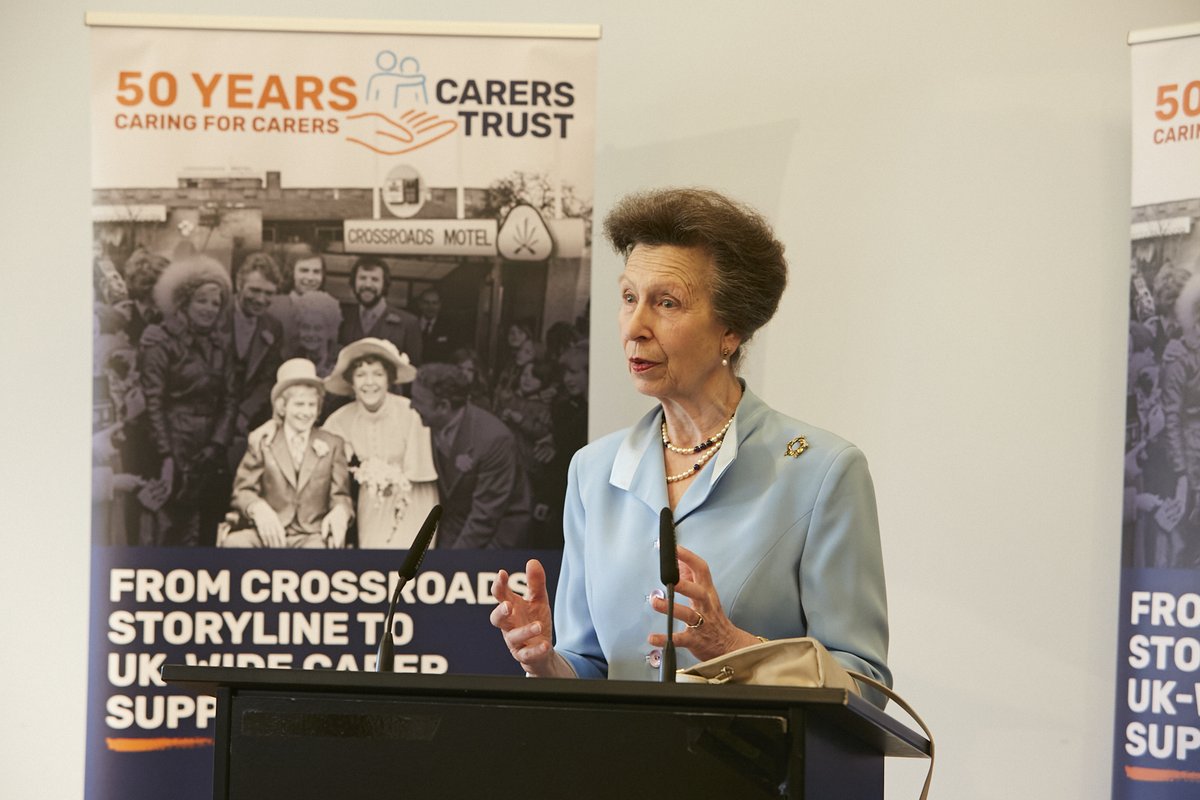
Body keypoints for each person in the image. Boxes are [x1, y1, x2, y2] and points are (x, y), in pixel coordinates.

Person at [489, 188, 891, 698]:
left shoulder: (822, 472)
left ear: (732, 330)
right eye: (629, 298)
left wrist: (731, 646)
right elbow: (591, 665)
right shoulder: (593, 471)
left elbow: (865, 685)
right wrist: (546, 661)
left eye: (667, 303)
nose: (635, 328)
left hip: (755, 773)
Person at [138, 255, 237, 546]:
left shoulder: (221, 344)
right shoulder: (160, 340)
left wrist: (217, 445)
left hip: (211, 453)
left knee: (208, 527)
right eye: (201, 301)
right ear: (183, 303)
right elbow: (153, 403)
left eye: (215, 303)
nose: (209, 309)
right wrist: (167, 457)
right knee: (170, 528)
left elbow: (230, 398)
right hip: (173, 445)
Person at [323, 338, 440, 549]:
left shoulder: (411, 412)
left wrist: (394, 480)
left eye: (378, 374)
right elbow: (319, 450)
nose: (370, 383)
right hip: (373, 503)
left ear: (389, 379)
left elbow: (419, 470)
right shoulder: (340, 419)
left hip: (413, 499)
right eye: (361, 375)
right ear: (351, 382)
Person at [224, 358, 352, 548]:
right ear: (282, 407)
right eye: (299, 404)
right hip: (267, 531)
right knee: (235, 544)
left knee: (318, 553)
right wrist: (258, 509)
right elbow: (242, 491)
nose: (306, 412)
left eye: (311, 405)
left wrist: (340, 512)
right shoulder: (264, 441)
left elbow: (341, 495)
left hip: (311, 534)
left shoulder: (332, 444)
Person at [410, 363, 531, 548]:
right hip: (453, 532)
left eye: (417, 400)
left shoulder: (494, 440)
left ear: (443, 406)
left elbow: (485, 516)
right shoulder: (425, 424)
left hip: (497, 540)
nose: (411, 406)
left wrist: (455, 563)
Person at [224, 252, 285, 469]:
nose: (261, 299)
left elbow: (268, 379)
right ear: (239, 284)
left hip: (244, 423)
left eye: (268, 293)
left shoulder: (273, 327)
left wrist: (244, 413)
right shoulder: (217, 314)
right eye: (255, 290)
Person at [339, 256, 423, 365]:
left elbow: (414, 371)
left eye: (375, 279)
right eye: (362, 278)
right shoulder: (343, 319)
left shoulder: (408, 323)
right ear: (353, 283)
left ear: (384, 285)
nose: (368, 285)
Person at [292, 290, 343, 377]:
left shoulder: (342, 360)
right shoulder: (294, 360)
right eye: (305, 327)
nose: (311, 334)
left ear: (330, 330)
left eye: (318, 328)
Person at [416, 288, 456, 363]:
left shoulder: (449, 327)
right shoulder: (412, 323)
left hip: (437, 371)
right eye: (426, 303)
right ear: (420, 304)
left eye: (434, 303)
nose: (430, 307)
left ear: (440, 305)